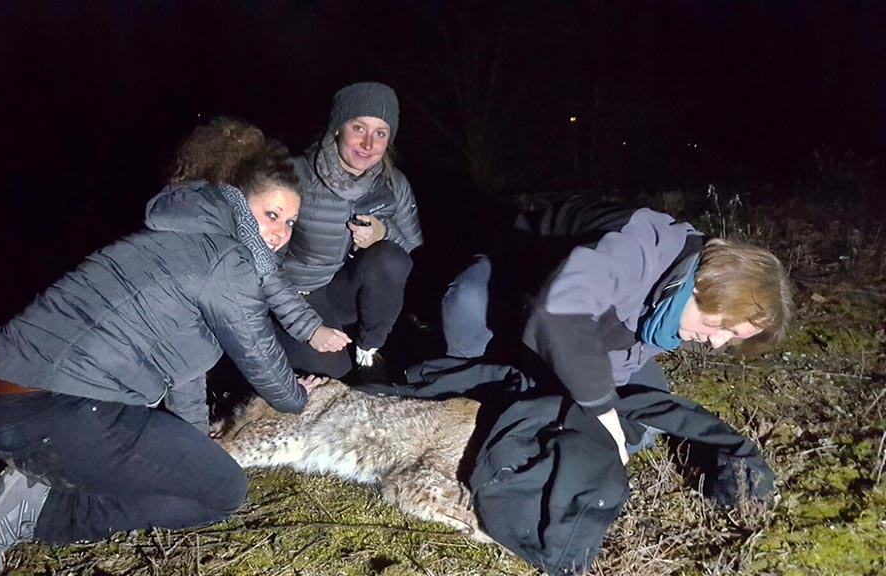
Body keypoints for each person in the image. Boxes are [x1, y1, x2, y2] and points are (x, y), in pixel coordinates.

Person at [0, 118, 324, 576]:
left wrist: (194, 442)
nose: (282, 233)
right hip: (61, 409)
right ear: (234, 199)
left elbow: (184, 368)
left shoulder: (175, 238)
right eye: (271, 215)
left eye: (290, 222)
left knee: (197, 469)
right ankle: (34, 510)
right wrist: (302, 395)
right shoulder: (227, 260)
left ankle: (24, 471)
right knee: (223, 492)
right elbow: (263, 362)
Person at [438, 196, 793, 464]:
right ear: (702, 287)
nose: (717, 343)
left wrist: (595, 412)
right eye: (724, 327)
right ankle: (465, 390)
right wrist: (602, 411)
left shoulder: (678, 306)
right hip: (510, 283)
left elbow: (618, 355)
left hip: (583, 324)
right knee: (468, 301)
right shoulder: (637, 246)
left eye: (732, 338)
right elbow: (558, 312)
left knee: (648, 420)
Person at [281, 81, 423, 378]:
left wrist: (384, 235)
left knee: (390, 258)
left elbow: (411, 254)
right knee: (333, 375)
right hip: (293, 294)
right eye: (358, 128)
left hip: (344, 292)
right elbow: (257, 264)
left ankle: (369, 348)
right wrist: (308, 326)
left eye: (380, 134)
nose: (368, 144)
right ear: (337, 128)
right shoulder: (292, 176)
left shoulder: (394, 184)